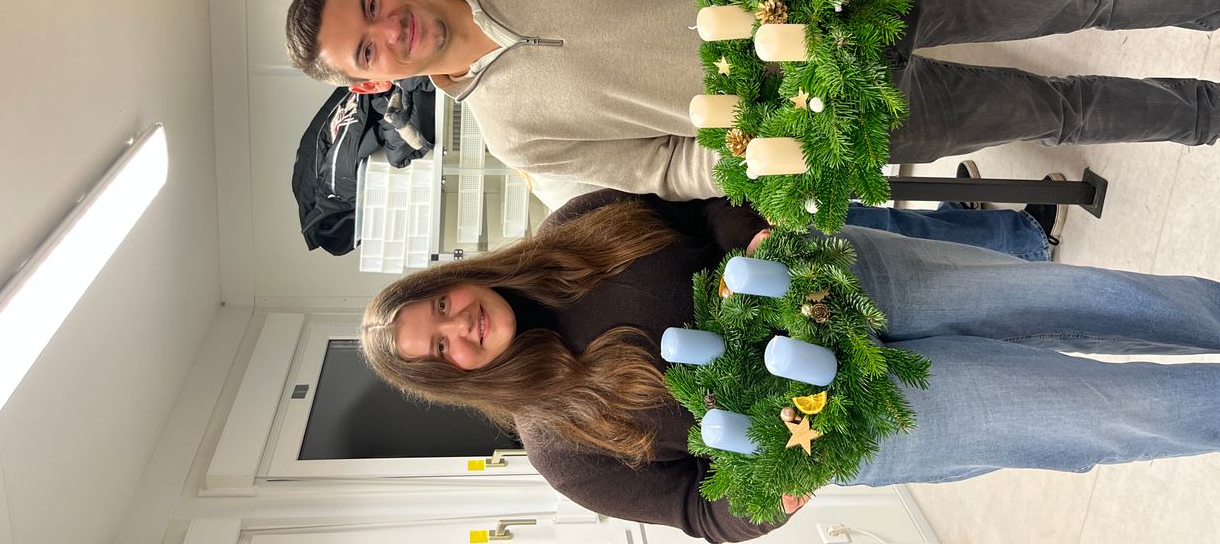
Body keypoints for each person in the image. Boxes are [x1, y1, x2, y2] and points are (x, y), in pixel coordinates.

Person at [361, 190, 1220, 542]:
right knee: (1101, 410)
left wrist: (755, 237)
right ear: (452, 378)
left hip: (859, 284)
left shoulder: (574, 227)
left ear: (453, 279)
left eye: (440, 305)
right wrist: (778, 484)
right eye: (439, 351)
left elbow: (707, 208)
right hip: (860, 418)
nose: (458, 327)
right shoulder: (562, 447)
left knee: (1091, 297)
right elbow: (701, 511)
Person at [285, 0, 1220, 201]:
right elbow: (664, 168)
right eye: (364, 52)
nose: (386, 31)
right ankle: (1207, 117)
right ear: (370, 87)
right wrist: (755, 154)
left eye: (368, 7)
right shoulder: (514, 137)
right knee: (1052, 113)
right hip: (827, 117)